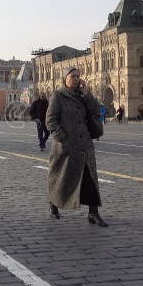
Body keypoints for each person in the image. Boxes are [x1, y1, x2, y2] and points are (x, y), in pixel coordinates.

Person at [46, 67, 108, 227]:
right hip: (66, 147)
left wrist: (87, 93)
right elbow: (51, 120)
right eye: (72, 76)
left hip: (85, 145)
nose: (76, 79)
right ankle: (54, 205)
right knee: (62, 179)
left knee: (90, 179)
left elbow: (96, 110)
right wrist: (62, 138)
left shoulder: (83, 96)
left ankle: (93, 213)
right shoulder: (58, 96)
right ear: (64, 78)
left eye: (78, 76)